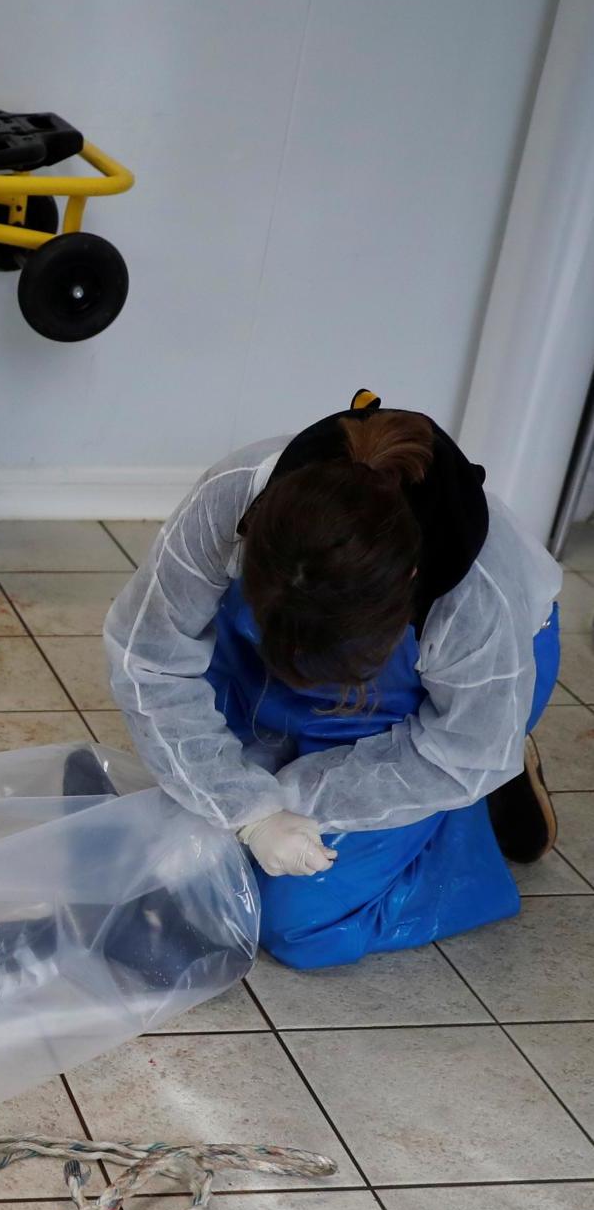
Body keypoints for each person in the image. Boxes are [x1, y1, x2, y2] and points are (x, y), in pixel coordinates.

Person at [104, 392, 563, 969]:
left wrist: (285, 802)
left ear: (410, 580)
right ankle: (415, 802)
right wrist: (246, 808)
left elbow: (463, 751)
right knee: (200, 844)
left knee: (295, 920)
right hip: (264, 659)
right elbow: (151, 658)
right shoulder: (233, 498)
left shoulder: (476, 594)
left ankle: (469, 825)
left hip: (451, 705)